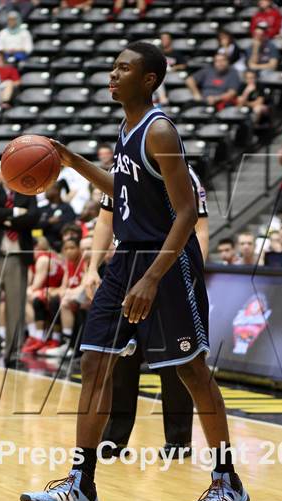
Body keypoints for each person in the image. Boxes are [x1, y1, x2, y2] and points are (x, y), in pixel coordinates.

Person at [21, 41, 249, 501]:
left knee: (191, 370)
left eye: (123, 68)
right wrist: (74, 162)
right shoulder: (126, 128)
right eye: (113, 66)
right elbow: (122, 190)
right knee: (94, 362)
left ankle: (227, 480)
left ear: (149, 80)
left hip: (166, 260)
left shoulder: (159, 130)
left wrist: (151, 279)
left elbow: (186, 213)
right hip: (127, 257)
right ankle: (81, 483)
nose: (113, 74)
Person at [84, 164, 209, 458]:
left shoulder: (183, 172)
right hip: (127, 269)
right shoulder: (119, 168)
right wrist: (91, 267)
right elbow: (105, 221)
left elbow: (200, 228)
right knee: (120, 356)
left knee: (177, 361)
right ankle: (114, 439)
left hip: (169, 269)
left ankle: (178, 441)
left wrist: (194, 272)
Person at [0, 169, 39, 367]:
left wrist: (4, 219)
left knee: (16, 309)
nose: (3, 174)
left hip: (18, 257)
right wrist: (15, 213)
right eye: (0, 171)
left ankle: (13, 354)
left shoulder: (28, 193)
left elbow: (33, 217)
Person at [21, 237, 65, 355]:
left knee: (26, 297)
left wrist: (25, 291)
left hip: (54, 290)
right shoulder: (36, 260)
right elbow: (29, 283)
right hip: (48, 290)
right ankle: (36, 336)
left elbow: (36, 285)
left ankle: (36, 336)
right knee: (25, 295)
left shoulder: (43, 259)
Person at [38, 182, 76, 251]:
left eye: (48, 189)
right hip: (43, 246)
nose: (45, 191)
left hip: (62, 245)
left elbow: (69, 225)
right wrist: (48, 222)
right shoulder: (42, 209)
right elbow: (35, 228)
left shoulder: (67, 208)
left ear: (57, 191)